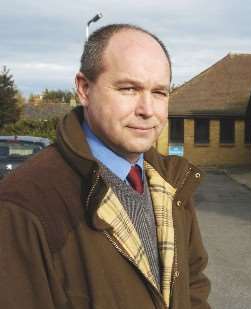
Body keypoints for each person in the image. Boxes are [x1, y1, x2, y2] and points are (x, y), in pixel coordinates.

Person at [0, 24, 210, 309]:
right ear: (84, 89)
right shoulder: (24, 204)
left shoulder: (171, 182)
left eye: (160, 92)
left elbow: (193, 283)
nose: (147, 109)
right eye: (128, 89)